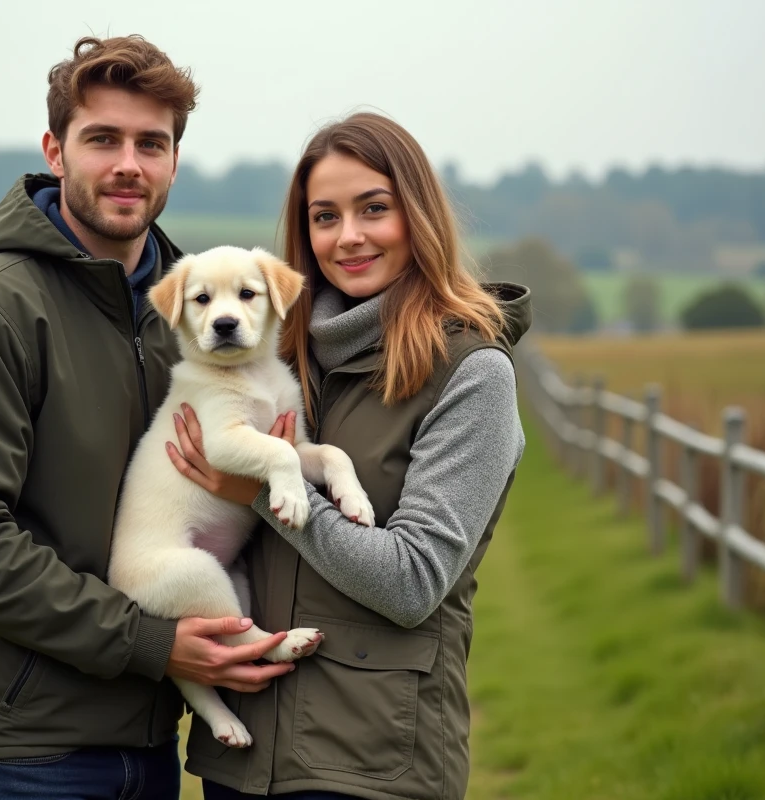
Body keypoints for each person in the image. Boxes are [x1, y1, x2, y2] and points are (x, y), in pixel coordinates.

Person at [0, 35, 296, 800]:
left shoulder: (183, 315)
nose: (128, 165)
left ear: (175, 160)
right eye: (102, 138)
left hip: (146, 732)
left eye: (153, 143)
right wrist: (151, 642)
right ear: (55, 150)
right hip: (23, 747)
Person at [168, 112, 533, 800]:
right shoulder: (274, 357)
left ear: (418, 215)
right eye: (324, 216)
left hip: (374, 764)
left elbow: (412, 581)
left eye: (374, 208)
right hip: (243, 758)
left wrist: (262, 495)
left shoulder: (472, 373)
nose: (349, 237)